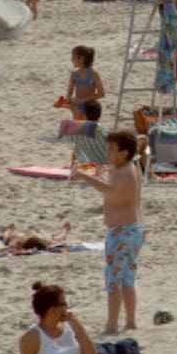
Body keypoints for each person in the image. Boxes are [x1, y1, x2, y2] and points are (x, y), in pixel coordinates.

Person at [70, 130, 144, 334]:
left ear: (124, 152)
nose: (108, 152)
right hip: (132, 229)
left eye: (112, 149)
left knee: (114, 280)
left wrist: (86, 177)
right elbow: (117, 190)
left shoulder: (125, 171)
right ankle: (130, 321)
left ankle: (112, 323)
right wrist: (99, 175)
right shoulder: (127, 168)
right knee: (127, 278)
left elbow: (110, 191)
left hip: (122, 231)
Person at [18, 282, 100, 354]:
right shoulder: (32, 338)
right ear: (52, 310)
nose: (66, 308)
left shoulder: (71, 325)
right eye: (63, 304)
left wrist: (77, 324)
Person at [64, 45, 105, 116]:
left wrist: (83, 99)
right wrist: (69, 100)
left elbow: (101, 93)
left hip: (90, 107)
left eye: (73, 58)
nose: (71, 60)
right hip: (76, 107)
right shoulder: (74, 74)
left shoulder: (93, 74)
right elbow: (69, 93)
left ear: (81, 59)